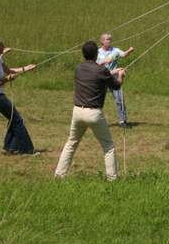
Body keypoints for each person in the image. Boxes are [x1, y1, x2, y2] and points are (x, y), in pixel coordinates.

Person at [55, 41, 126, 181]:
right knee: (108, 147)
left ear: (84, 54)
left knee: (71, 143)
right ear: (96, 54)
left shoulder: (78, 68)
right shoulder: (101, 71)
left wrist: (111, 71)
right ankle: (112, 179)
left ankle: (59, 175)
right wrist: (121, 76)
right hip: (93, 113)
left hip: (77, 112)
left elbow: (97, 74)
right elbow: (116, 86)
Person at [0, 38, 37, 154]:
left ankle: (9, 148)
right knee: (17, 120)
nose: (4, 48)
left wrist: (26, 68)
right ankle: (27, 149)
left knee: (13, 118)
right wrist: (7, 80)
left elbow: (9, 71)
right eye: (2, 46)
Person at [96, 33, 134, 128]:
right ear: (102, 41)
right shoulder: (97, 52)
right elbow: (95, 65)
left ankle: (123, 120)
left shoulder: (115, 50)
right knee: (98, 99)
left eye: (110, 39)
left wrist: (129, 50)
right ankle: (95, 120)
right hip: (102, 77)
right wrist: (104, 62)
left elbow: (124, 54)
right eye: (107, 39)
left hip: (114, 77)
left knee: (119, 99)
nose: (109, 41)